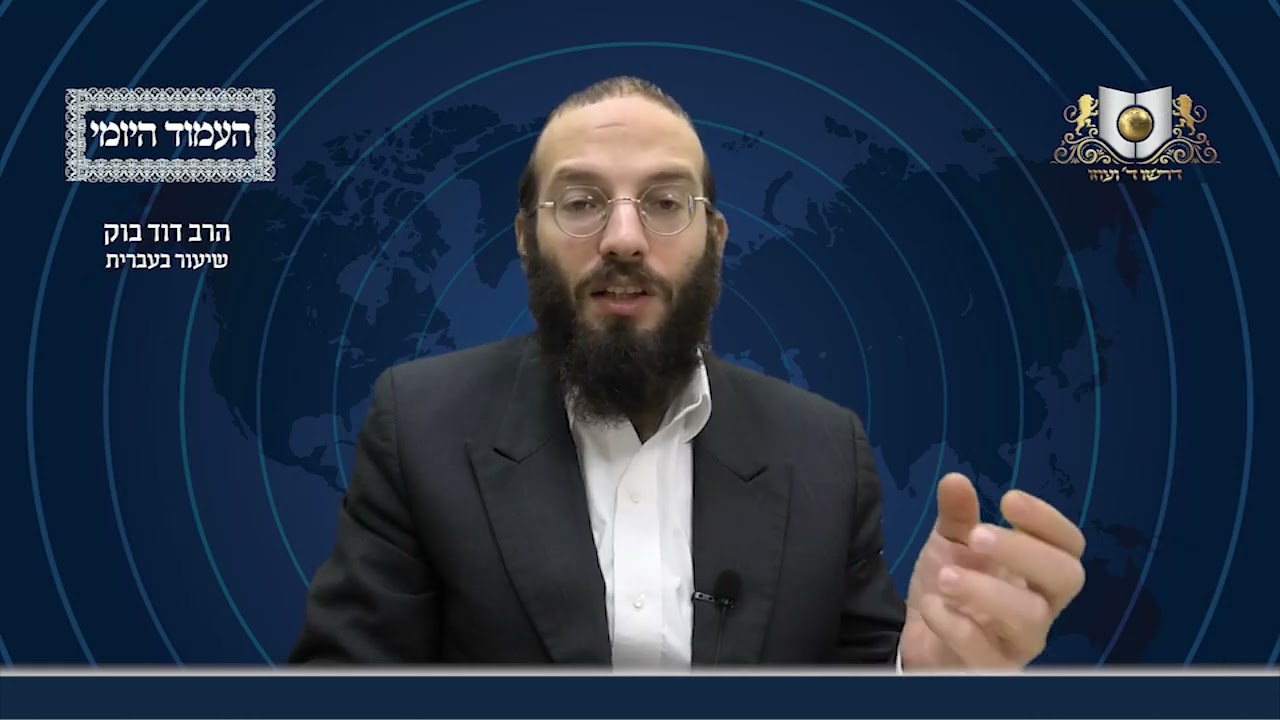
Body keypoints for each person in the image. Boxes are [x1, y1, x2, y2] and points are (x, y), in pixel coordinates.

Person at [288, 76, 1086, 669]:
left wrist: (926, 674)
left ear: (716, 239)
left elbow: (864, 677)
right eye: (581, 201)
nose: (624, 238)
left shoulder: (826, 452)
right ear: (527, 240)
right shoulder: (419, 424)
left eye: (665, 202)